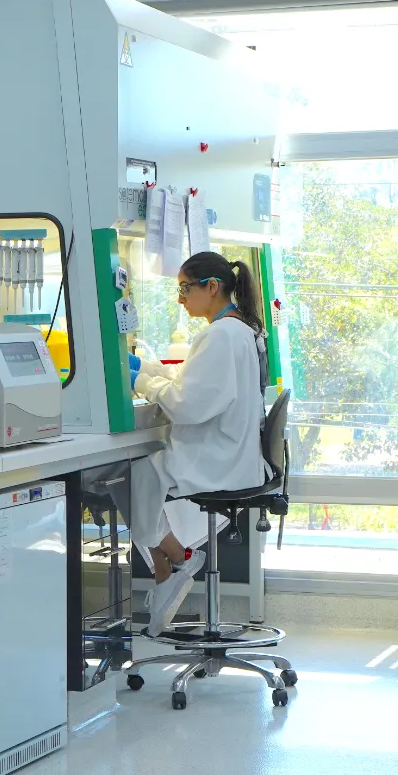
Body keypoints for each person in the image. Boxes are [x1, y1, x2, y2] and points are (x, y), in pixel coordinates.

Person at [129, 250, 269, 637]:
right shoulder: (240, 329)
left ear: (212, 287)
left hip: (218, 458)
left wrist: (141, 382)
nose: (180, 298)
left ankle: (173, 559)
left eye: (185, 289)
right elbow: (194, 384)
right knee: (143, 471)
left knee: (133, 469)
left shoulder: (220, 335)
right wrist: (148, 370)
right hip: (234, 453)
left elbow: (187, 406)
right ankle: (171, 562)